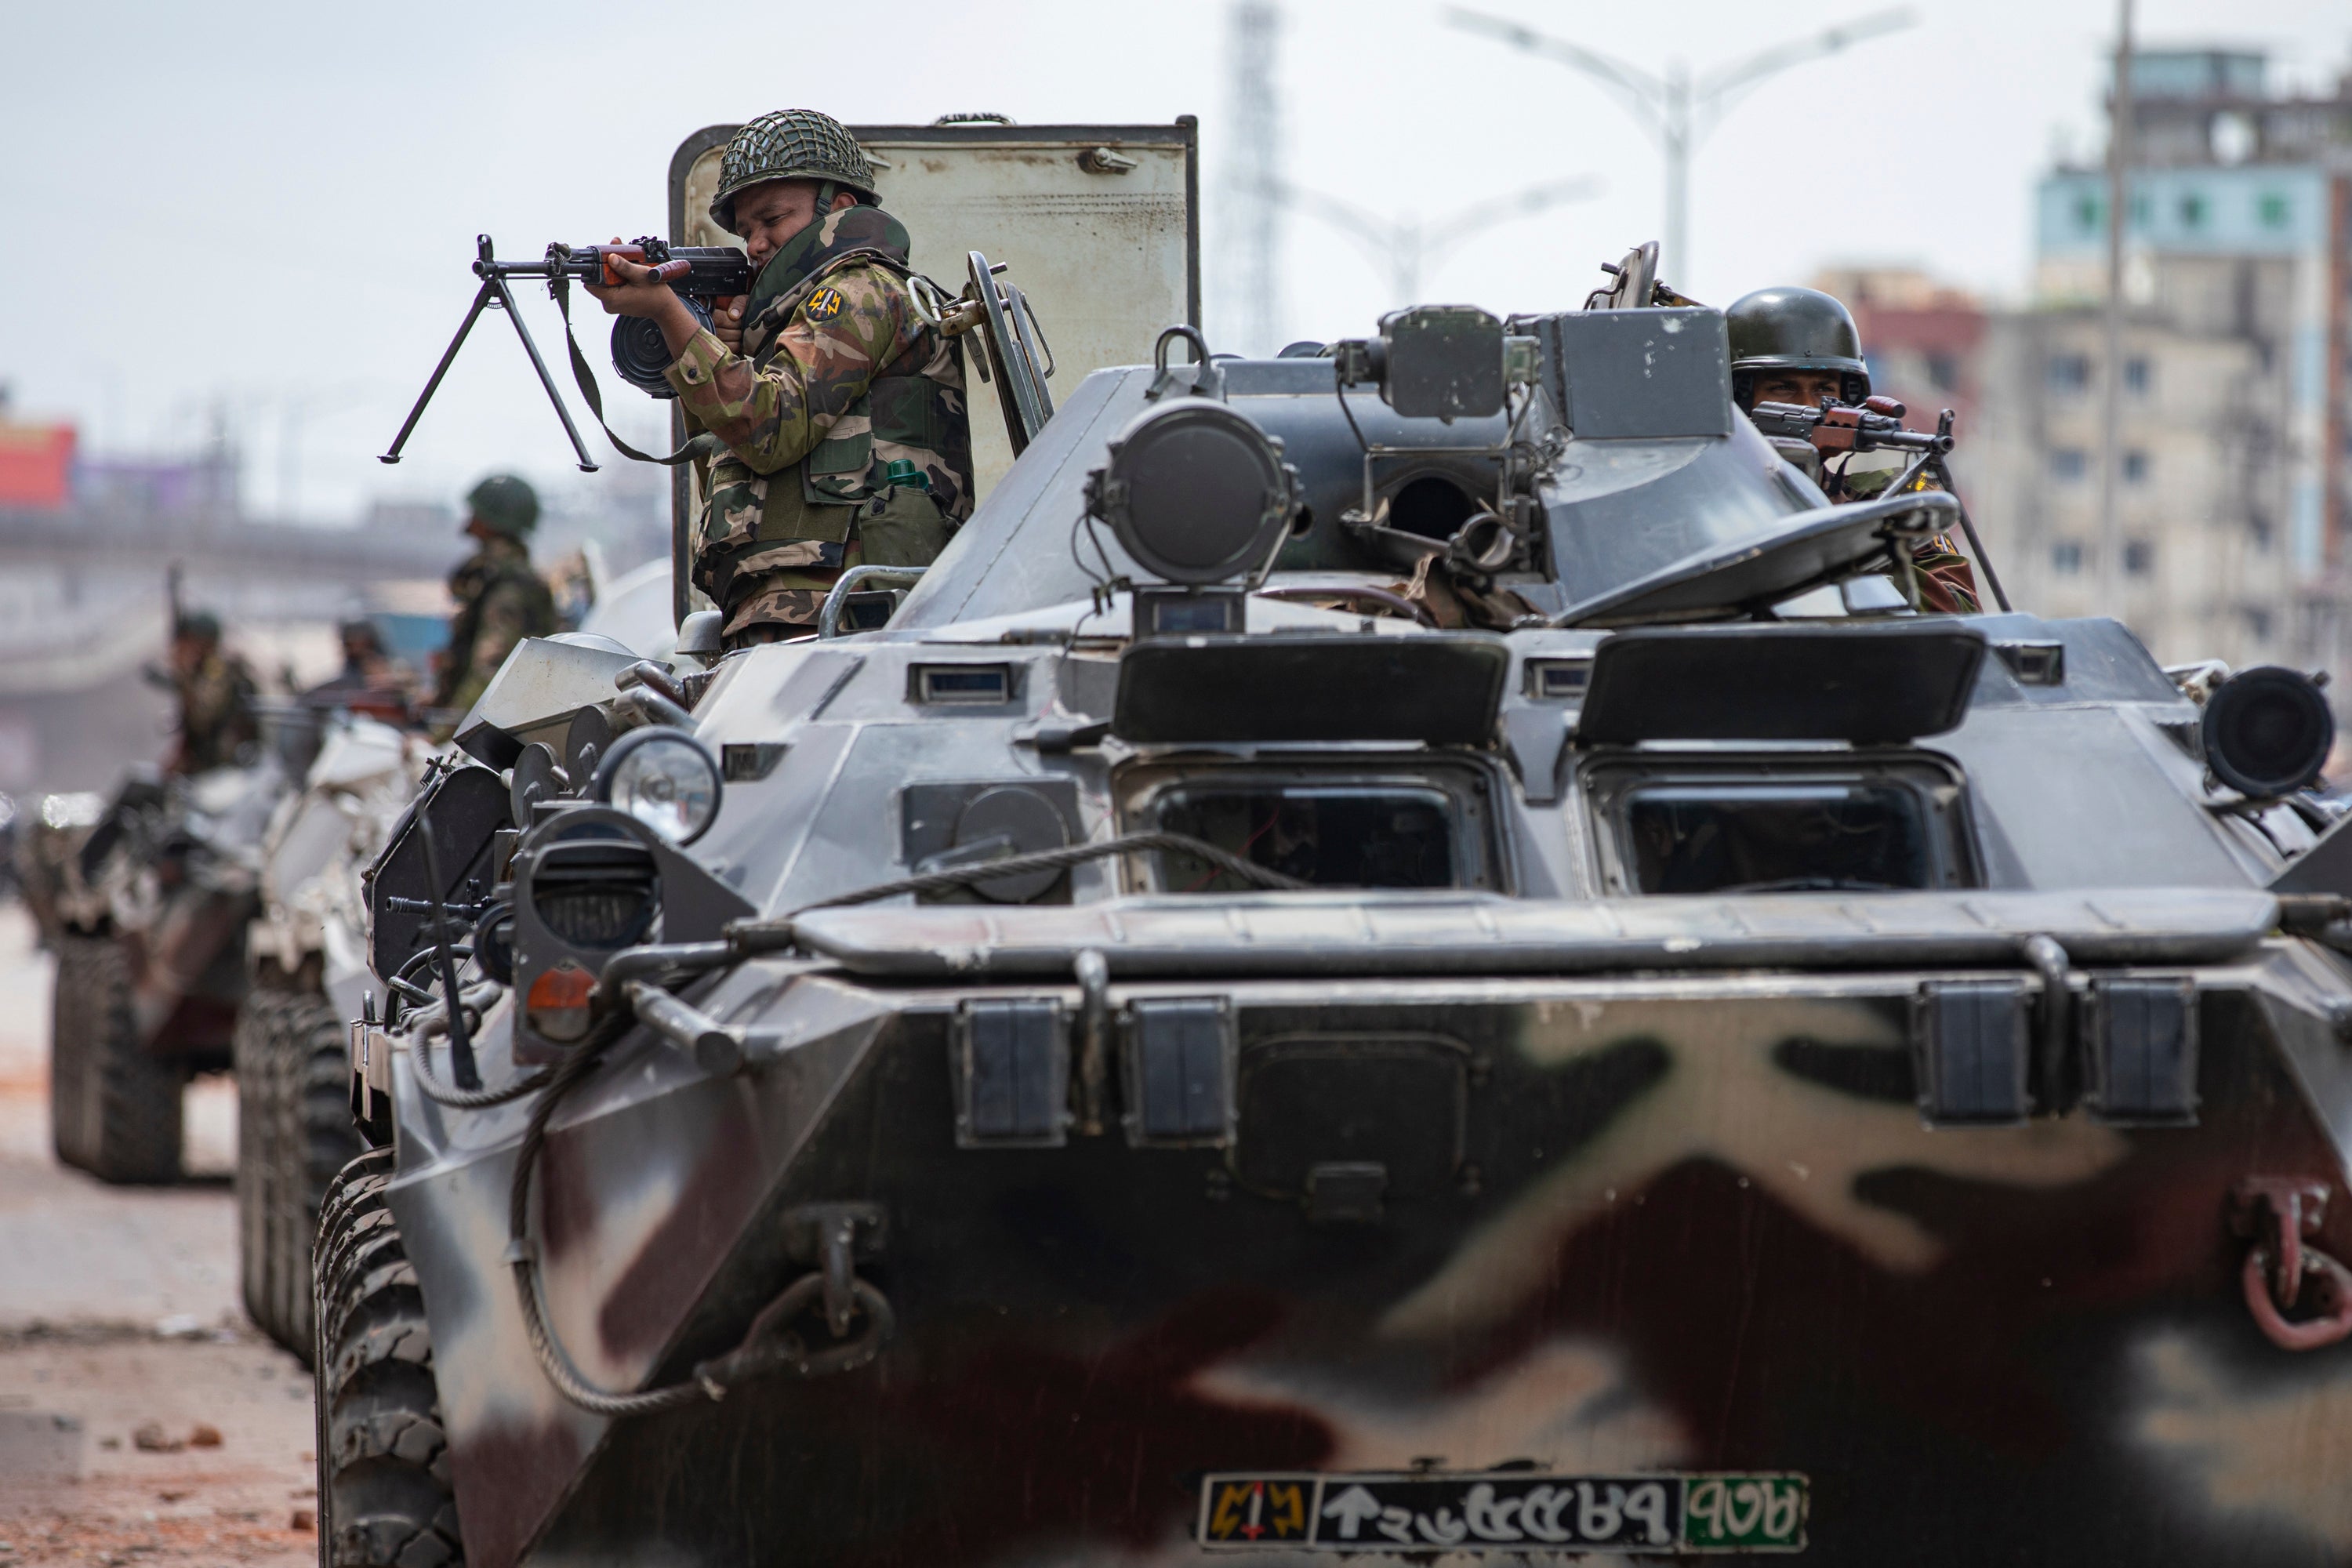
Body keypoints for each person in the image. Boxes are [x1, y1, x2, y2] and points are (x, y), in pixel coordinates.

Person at [584, 108, 975, 649]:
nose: (757, 244)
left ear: (837, 208)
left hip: (843, 612)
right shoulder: (789, 321)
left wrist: (669, 314)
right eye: (746, 230)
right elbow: (730, 462)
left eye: (772, 220)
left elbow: (770, 429)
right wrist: (719, 348)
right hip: (792, 608)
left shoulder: (857, 292)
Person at [1726, 285, 1980, 614]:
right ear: (1739, 401)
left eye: (1824, 391)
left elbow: (1958, 612)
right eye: (1783, 389)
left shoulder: (1888, 501)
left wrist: (1851, 541)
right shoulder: (1702, 501)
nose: (1809, 406)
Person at [433, 474, 557, 716]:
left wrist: (444, 732)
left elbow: (488, 669)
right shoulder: (500, 576)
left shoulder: (508, 585)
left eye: (475, 513)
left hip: (483, 727)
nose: (469, 522)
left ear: (489, 521)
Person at [164, 610, 259, 775]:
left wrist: (184, 677)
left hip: (223, 759)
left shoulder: (218, 671)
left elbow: (203, 719)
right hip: (208, 757)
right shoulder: (202, 670)